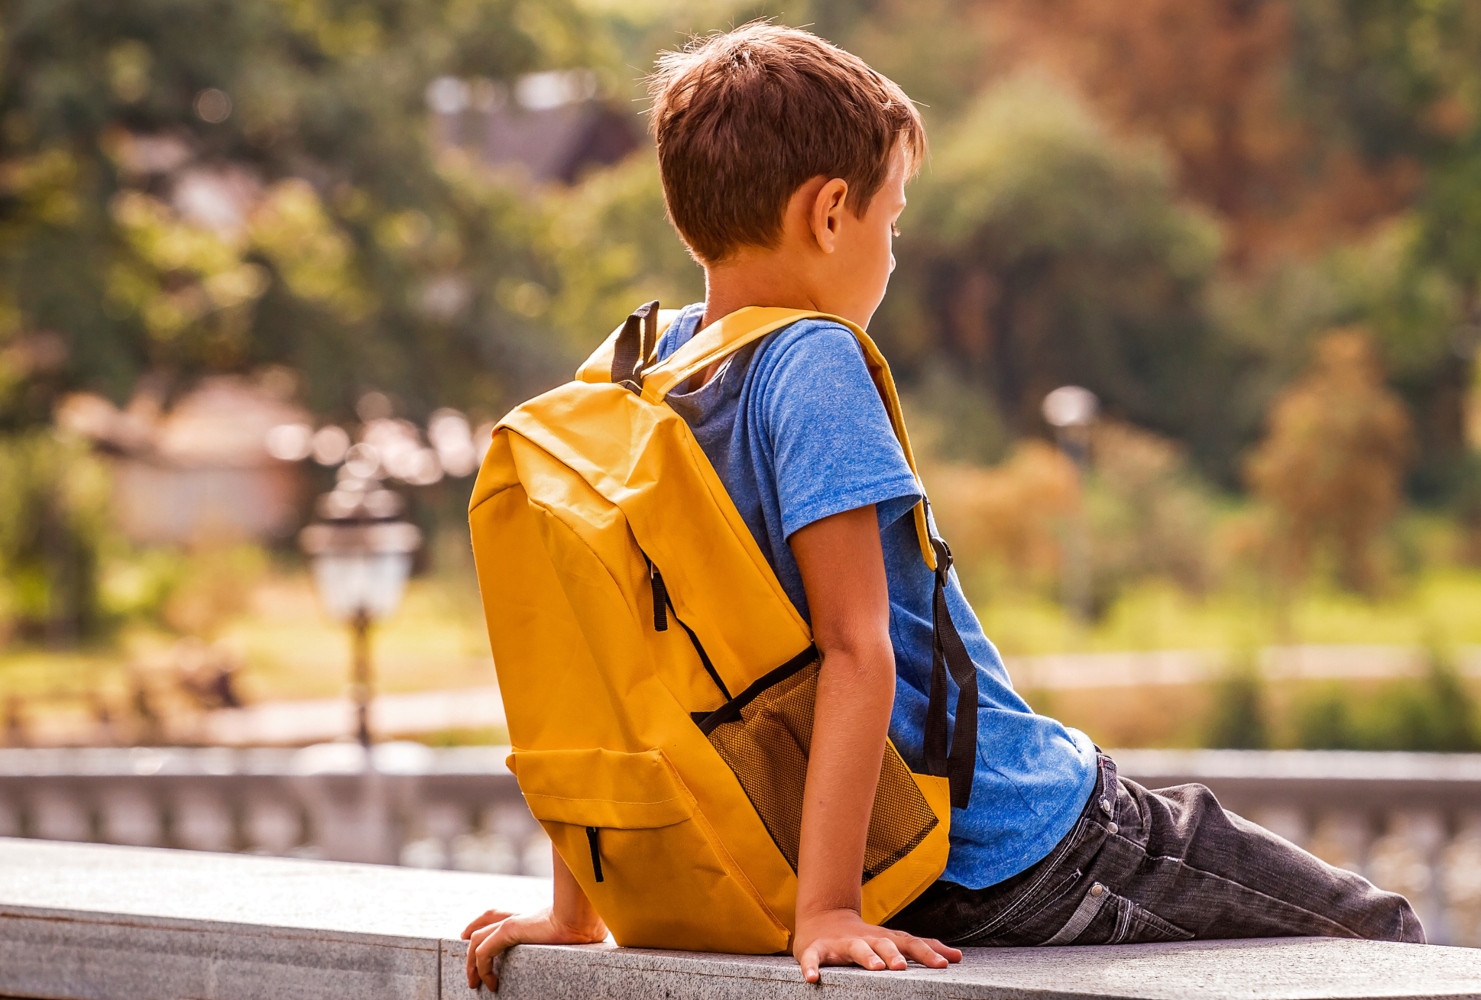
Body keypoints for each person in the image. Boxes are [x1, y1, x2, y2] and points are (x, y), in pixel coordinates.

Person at [464, 22, 1422, 992]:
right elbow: (854, 646)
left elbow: (600, 666)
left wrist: (577, 908)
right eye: (892, 218)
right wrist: (829, 911)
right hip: (1009, 841)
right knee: (1371, 933)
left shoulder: (637, 370)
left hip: (834, 863)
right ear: (829, 212)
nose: (891, 252)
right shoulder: (809, 358)